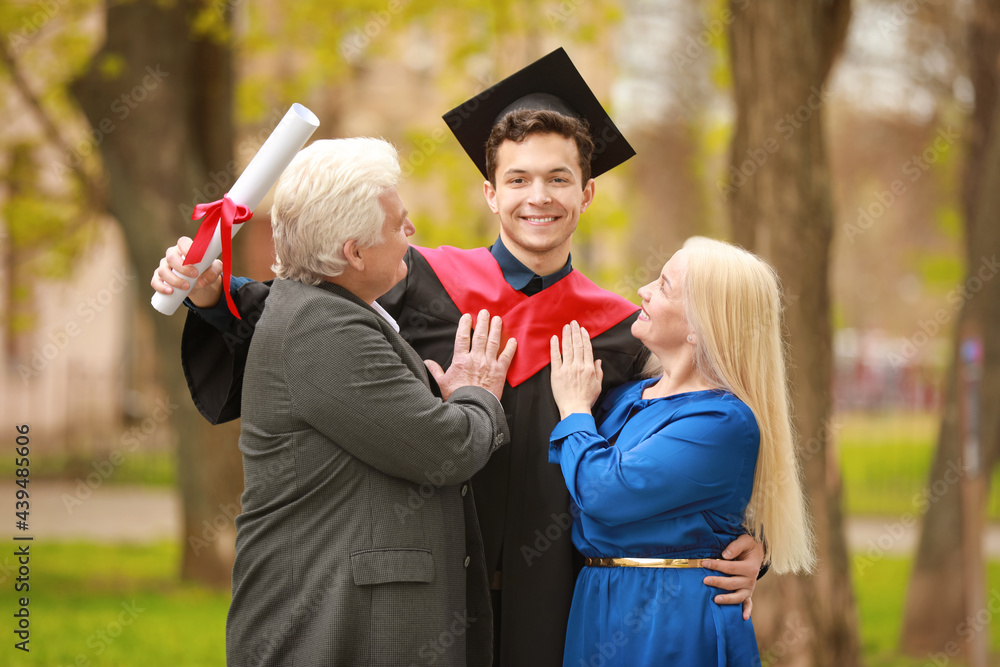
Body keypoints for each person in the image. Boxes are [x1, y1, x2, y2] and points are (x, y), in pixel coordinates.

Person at [152, 49, 766, 666]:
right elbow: (302, 316)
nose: (539, 197)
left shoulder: (619, 333)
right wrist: (212, 293)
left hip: (558, 592)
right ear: (491, 194)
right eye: (518, 179)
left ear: (588, 193)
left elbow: (687, 440)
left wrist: (749, 543)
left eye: (559, 179)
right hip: (428, 589)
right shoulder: (413, 280)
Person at [213, 137, 515, 666]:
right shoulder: (322, 329)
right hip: (334, 625)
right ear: (353, 252)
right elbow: (445, 448)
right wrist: (477, 393)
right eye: (398, 224)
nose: (411, 232)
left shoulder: (323, 309)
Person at [548, 237, 816, 666]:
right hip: (598, 601)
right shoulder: (627, 396)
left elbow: (605, 493)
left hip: (669, 615)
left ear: (700, 325)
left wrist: (575, 409)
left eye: (665, 286)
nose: (644, 290)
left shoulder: (721, 420)